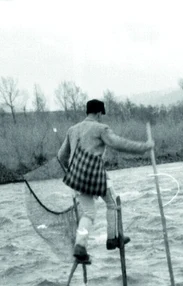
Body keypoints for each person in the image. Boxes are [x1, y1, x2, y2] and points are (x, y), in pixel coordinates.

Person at [58, 99, 154, 263]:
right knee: (113, 203)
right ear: (98, 113)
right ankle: (112, 239)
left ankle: (80, 247)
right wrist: (145, 147)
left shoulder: (72, 130)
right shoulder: (100, 128)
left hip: (76, 178)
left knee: (88, 214)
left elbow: (61, 156)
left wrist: (73, 171)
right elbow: (118, 144)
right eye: (101, 114)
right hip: (95, 175)